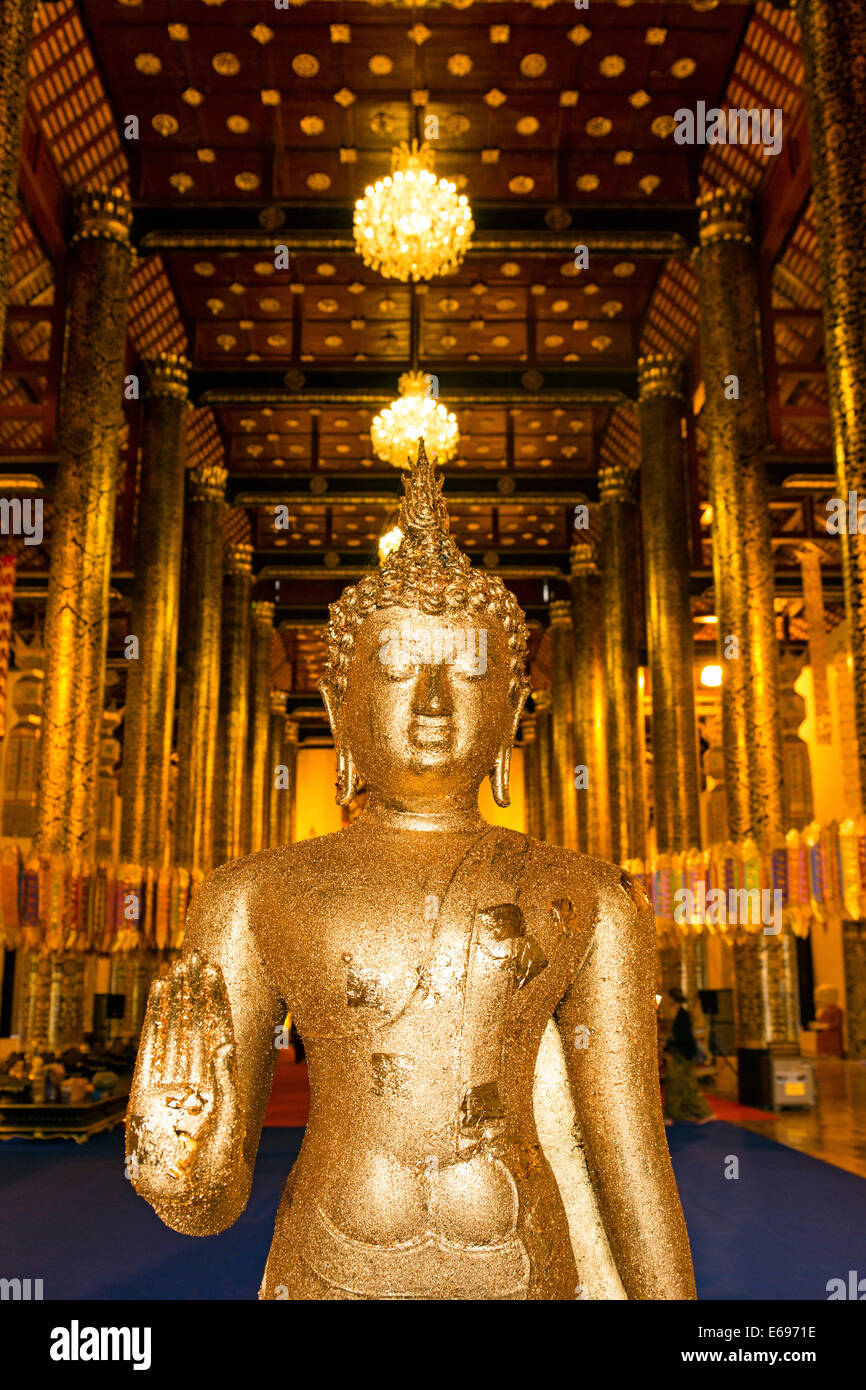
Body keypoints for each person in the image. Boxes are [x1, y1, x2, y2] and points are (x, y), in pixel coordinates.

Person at [126, 441, 696, 1301]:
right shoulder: (251, 895)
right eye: (394, 668)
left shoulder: (590, 896)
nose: (432, 700)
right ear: (338, 706)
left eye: (468, 670)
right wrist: (180, 1164)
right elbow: (214, 1204)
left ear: (511, 710)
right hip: (332, 1261)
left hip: (524, 1262)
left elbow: (630, 1157)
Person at [663, 988, 714, 1124]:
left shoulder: (682, 1016)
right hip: (684, 1053)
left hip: (683, 1055)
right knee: (684, 1085)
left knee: (679, 1085)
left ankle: (674, 1115)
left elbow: (684, 1038)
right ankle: (679, 1113)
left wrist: (670, 1043)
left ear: (673, 1000)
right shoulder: (681, 1014)